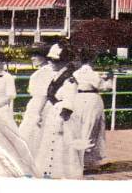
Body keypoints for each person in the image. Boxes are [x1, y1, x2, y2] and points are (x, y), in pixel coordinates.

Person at [35, 43, 92, 179]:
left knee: (62, 145)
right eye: (50, 59)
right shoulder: (57, 77)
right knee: (50, 142)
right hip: (54, 112)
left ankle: (62, 174)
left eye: (55, 60)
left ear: (64, 62)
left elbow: (69, 102)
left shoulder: (69, 79)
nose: (50, 62)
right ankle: (49, 171)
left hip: (63, 117)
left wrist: (61, 119)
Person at [0, 49, 39, 178]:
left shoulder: (8, 77)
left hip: (2, 110)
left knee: (12, 139)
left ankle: (21, 168)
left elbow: (11, 95)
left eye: (2, 61)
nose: (0, 64)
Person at [72, 48, 112, 169]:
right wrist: (109, 78)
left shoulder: (75, 73)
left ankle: (79, 159)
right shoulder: (93, 74)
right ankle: (91, 161)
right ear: (91, 59)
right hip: (92, 99)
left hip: (78, 98)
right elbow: (105, 87)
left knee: (80, 126)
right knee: (93, 128)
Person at [19, 46, 54, 158]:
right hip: (38, 103)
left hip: (41, 105)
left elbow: (44, 93)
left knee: (33, 133)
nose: (32, 58)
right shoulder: (44, 71)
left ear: (44, 57)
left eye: (36, 55)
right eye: (32, 55)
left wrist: (37, 113)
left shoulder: (45, 72)